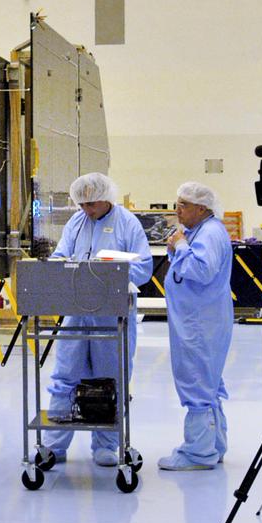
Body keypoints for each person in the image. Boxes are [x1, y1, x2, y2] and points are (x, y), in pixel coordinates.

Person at [45, 172, 152, 467]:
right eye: (81, 204)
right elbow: (61, 255)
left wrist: (112, 274)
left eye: (91, 204)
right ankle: (54, 445)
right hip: (76, 312)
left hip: (112, 313)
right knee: (65, 375)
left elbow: (144, 267)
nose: (86, 210)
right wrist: (56, 266)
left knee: (110, 379)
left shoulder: (127, 223)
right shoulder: (76, 222)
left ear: (106, 198)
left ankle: (106, 444)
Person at [158, 182, 233, 471]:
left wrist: (180, 245)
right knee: (207, 382)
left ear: (202, 208)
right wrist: (177, 247)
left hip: (199, 323)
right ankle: (214, 445)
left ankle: (198, 453)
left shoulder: (210, 233)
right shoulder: (201, 230)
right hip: (199, 318)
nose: (177, 210)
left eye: (184, 205)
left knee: (196, 381)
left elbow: (201, 271)